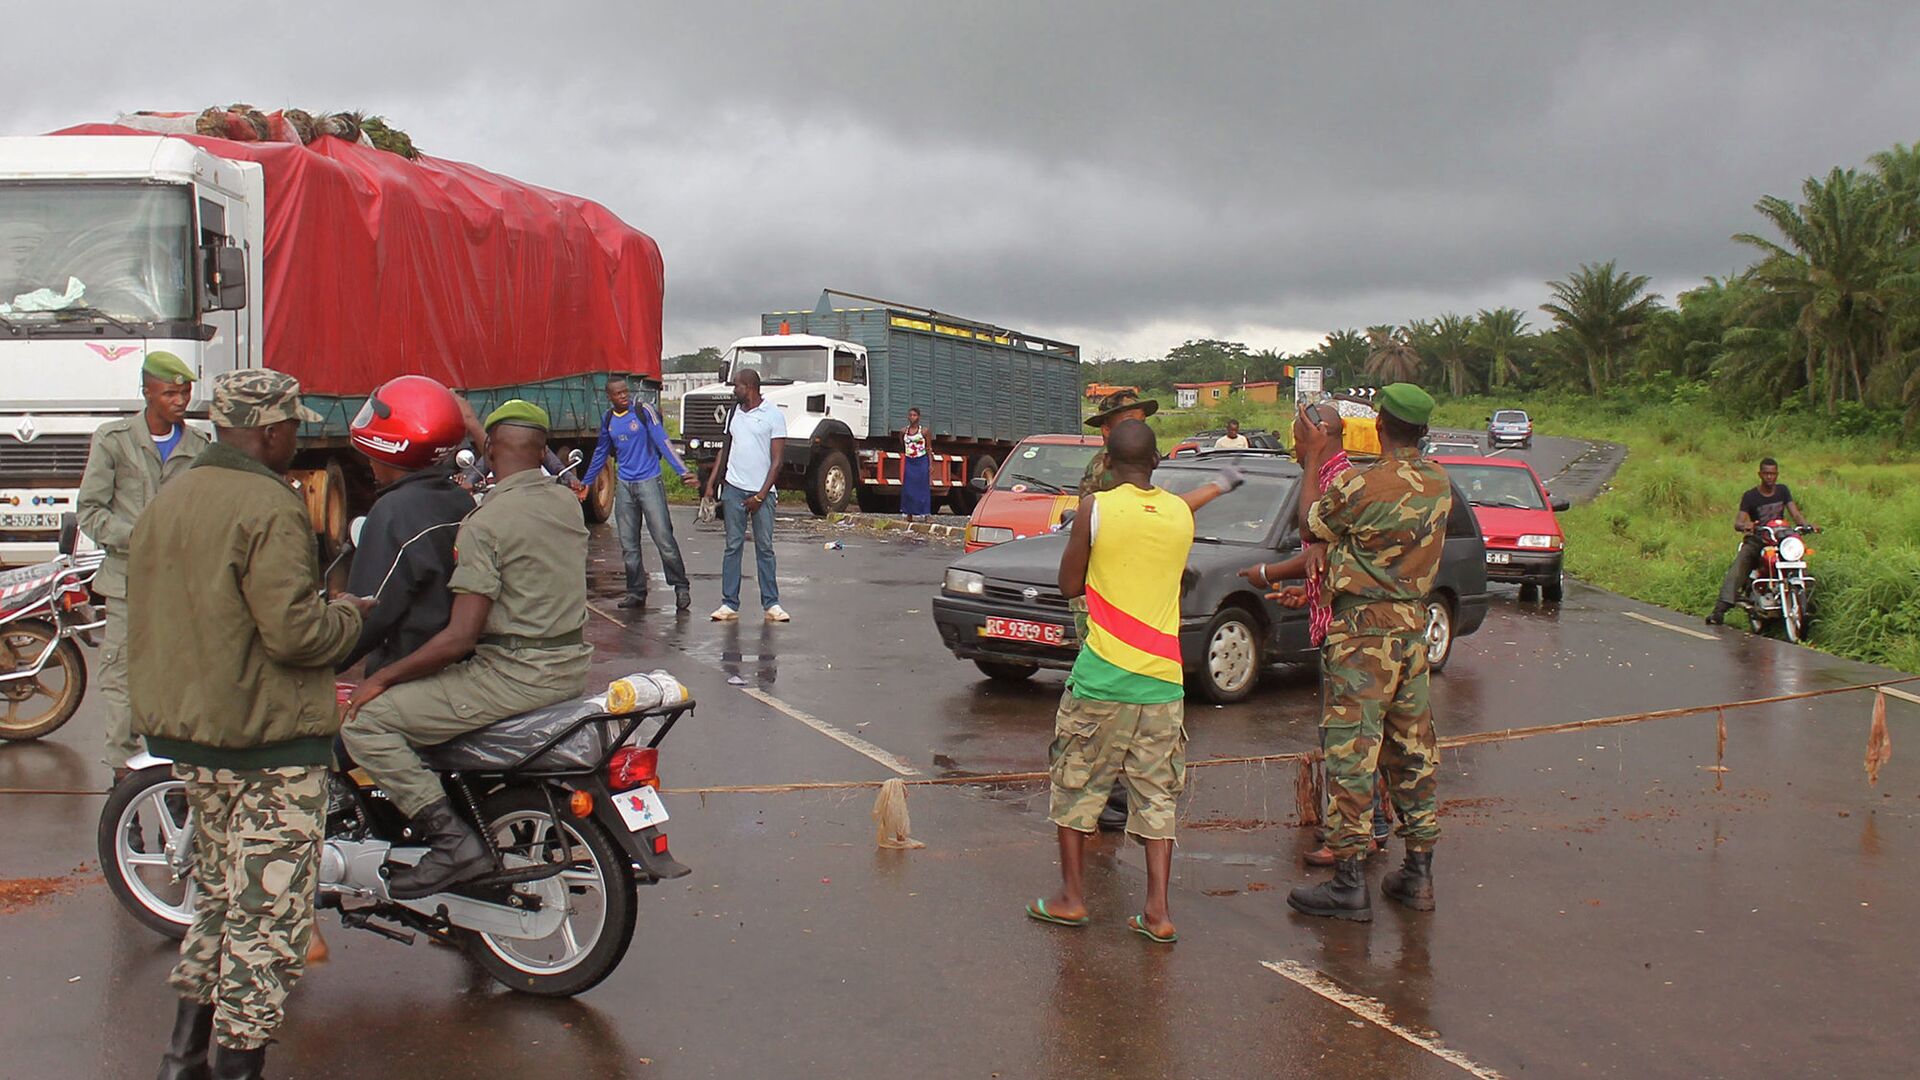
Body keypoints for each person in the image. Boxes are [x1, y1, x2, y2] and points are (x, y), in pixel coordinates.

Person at [126, 369, 371, 1080]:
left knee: (218, 898)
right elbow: (296, 635)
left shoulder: (172, 498)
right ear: (266, 431)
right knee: (268, 921)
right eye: (292, 426)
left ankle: (182, 1059)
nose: (298, 437)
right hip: (268, 742)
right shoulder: (269, 505)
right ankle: (237, 1066)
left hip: (194, 736)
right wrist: (351, 616)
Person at [340, 400, 593, 899]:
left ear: (492, 452)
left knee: (365, 723)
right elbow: (513, 453)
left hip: (513, 674)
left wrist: (380, 679)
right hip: (568, 668)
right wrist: (480, 429)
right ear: (543, 451)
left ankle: (452, 842)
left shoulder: (484, 524)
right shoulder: (566, 502)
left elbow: (459, 638)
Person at [1025, 419, 1238, 945]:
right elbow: (1186, 501)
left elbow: (1069, 583)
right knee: (1156, 795)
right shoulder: (1176, 515)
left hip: (1102, 679)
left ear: (1106, 458)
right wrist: (1223, 483)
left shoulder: (1095, 509)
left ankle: (1072, 899)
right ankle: (1158, 912)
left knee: (1076, 786)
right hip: (1163, 684)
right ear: (1158, 460)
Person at [1286, 383, 1451, 921]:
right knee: (1412, 749)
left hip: (1362, 634)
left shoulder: (1363, 484)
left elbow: (1310, 522)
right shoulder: (1439, 483)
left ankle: (1349, 879)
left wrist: (1313, 458)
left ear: (1380, 424)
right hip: (1411, 630)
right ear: (1421, 430)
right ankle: (1418, 873)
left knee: (1352, 753)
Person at [1240, 402, 1393, 865]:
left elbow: (1312, 532)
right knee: (1355, 737)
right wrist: (1307, 594)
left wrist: (1267, 571)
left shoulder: (1336, 479)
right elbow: (1333, 559)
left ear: (1319, 434)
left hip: (1350, 633)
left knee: (1349, 740)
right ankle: (1370, 826)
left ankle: (1358, 834)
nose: (1291, 444)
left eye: (1298, 436)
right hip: (1334, 618)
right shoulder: (1332, 476)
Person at [75, 351, 211, 782]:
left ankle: (175, 779)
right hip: (127, 584)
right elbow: (91, 511)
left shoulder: (200, 448)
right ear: (147, 392)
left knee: (182, 684)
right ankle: (125, 780)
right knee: (121, 682)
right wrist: (138, 539)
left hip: (181, 589)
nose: (180, 400)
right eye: (170, 391)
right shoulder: (114, 440)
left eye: (185, 391)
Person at [341, 375, 476, 676]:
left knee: (351, 721)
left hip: (408, 672)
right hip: (460, 668)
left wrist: (323, 653)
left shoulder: (394, 512)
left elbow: (369, 614)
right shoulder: (461, 501)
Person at [584, 375, 694, 612]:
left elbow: (663, 441)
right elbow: (601, 452)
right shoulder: (609, 419)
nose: (624, 396)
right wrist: (586, 482)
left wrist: (682, 471)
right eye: (618, 394)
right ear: (609, 397)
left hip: (649, 482)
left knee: (663, 538)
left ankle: (680, 587)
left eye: (626, 392)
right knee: (628, 543)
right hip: (625, 484)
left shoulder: (644, 411)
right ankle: (636, 591)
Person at [704, 368, 790, 622]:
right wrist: (711, 484)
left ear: (750, 387)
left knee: (764, 548)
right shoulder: (734, 413)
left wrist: (761, 496)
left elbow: (777, 462)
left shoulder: (773, 415)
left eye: (737, 386)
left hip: (762, 493)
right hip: (733, 489)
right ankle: (729, 604)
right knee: (733, 546)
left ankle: (772, 604)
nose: (734, 391)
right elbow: (725, 449)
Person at [1707, 457, 1817, 625]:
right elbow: (1738, 522)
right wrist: (1746, 525)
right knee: (1739, 566)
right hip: (1758, 539)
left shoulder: (1783, 491)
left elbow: (1795, 514)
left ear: (1777, 474)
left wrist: (1806, 525)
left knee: (1799, 559)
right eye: (1766, 473)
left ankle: (1806, 604)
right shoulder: (1750, 496)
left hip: (1780, 538)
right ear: (1760, 474)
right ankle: (1719, 610)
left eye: (1773, 474)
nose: (1770, 477)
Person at [901, 406, 932, 522]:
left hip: (922, 461)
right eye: (910, 415)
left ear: (918, 417)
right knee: (908, 488)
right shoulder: (903, 431)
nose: (912, 417)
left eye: (914, 415)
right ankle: (909, 513)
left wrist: (930, 464)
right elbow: (902, 444)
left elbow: (928, 448)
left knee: (923, 488)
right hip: (910, 461)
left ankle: (926, 514)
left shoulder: (924, 431)